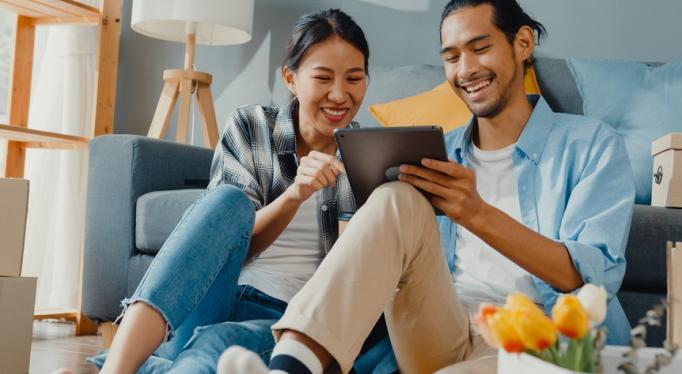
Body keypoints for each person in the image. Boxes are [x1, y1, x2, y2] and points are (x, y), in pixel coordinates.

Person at [222, 0, 636, 373]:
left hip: (533, 346)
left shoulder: (590, 146)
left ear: (523, 43)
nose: (465, 70)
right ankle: (290, 368)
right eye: (451, 57)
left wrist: (475, 212)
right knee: (396, 197)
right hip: (439, 330)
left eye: (480, 48)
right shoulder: (433, 151)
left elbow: (594, 278)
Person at [89, 8, 395, 374]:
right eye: (323, 77)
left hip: (292, 318)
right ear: (291, 79)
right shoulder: (250, 127)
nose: (340, 94)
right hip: (220, 294)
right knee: (227, 200)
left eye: (354, 79)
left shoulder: (370, 156)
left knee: (216, 345)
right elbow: (233, 239)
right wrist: (294, 194)